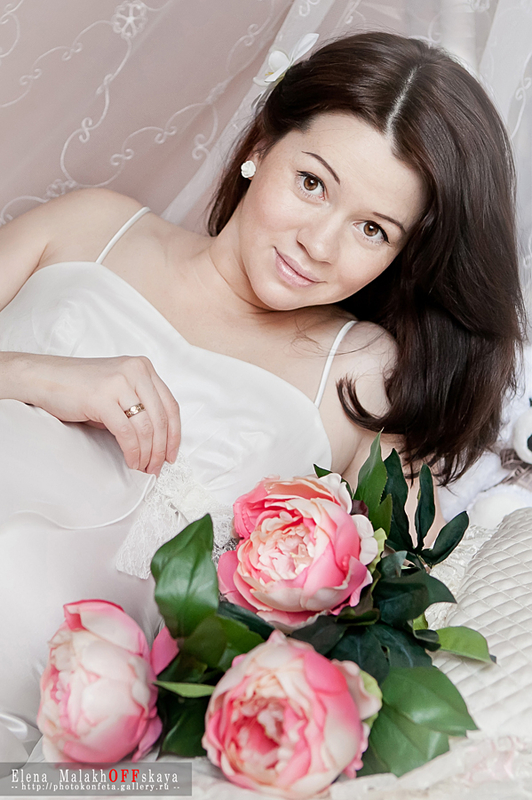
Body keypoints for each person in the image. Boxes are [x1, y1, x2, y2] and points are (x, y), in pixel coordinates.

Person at [0, 32, 523, 761]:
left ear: (403, 254)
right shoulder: (89, 227)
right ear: (260, 146)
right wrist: (36, 375)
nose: (319, 243)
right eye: (312, 183)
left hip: (49, 736)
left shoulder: (364, 375)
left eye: (372, 229)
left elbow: (388, 615)